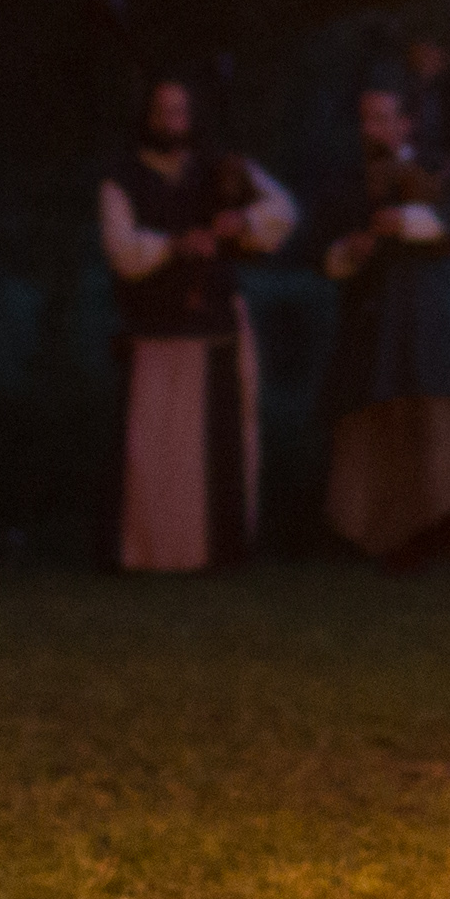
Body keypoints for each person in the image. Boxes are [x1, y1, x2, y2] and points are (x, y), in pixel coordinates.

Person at [99, 78, 295, 572]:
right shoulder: (122, 178)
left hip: (214, 328)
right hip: (154, 330)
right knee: (154, 451)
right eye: (163, 112)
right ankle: (150, 553)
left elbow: (282, 210)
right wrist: (174, 245)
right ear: (148, 117)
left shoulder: (219, 168)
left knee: (213, 447)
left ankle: (216, 552)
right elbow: (122, 251)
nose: (172, 122)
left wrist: (243, 223)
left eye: (180, 112)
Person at [318, 81, 450, 575]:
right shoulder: (349, 180)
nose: (370, 129)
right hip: (373, 326)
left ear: (405, 123)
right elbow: (323, 244)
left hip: (428, 323)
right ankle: (399, 545)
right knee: (385, 434)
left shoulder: (436, 168)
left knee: (441, 435)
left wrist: (410, 219)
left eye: (381, 118)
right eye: (364, 119)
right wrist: (348, 251)